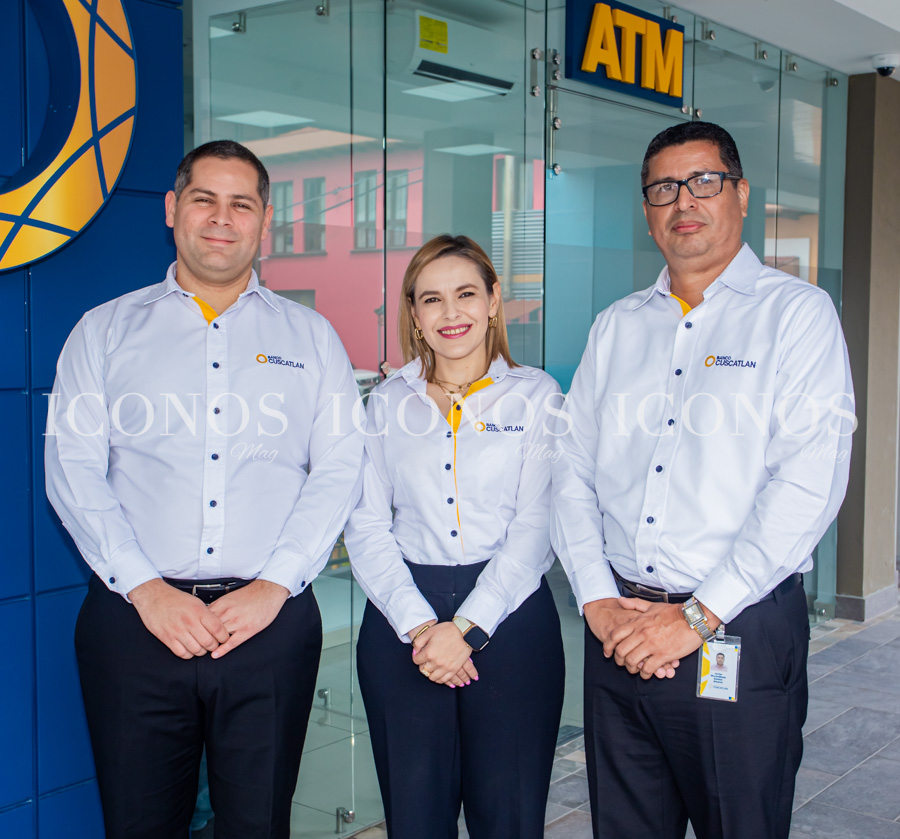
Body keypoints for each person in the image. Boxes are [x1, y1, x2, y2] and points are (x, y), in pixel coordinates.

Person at [45, 140, 363, 838]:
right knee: (138, 822)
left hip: (269, 627)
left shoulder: (310, 337)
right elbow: (71, 467)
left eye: (240, 203)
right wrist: (147, 589)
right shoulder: (103, 332)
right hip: (136, 622)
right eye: (204, 198)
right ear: (172, 209)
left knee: (258, 824)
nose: (222, 218)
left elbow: (341, 466)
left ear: (264, 220)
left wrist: (275, 584)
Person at [551, 122, 853, 839]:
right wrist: (595, 598)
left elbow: (809, 483)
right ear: (648, 208)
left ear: (741, 194)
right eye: (663, 187)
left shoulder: (796, 315)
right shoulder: (616, 327)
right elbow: (569, 469)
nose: (683, 200)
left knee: (739, 821)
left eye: (704, 181)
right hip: (619, 628)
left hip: (733, 628)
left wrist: (696, 617)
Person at [345, 235, 565, 839]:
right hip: (402, 622)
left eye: (466, 294)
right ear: (413, 314)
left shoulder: (538, 396)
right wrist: (422, 627)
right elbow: (365, 522)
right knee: (414, 821)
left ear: (494, 300)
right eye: (432, 299)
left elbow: (538, 524)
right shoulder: (386, 404)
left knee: (510, 818)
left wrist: (466, 628)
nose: (451, 314)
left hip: (512, 619)